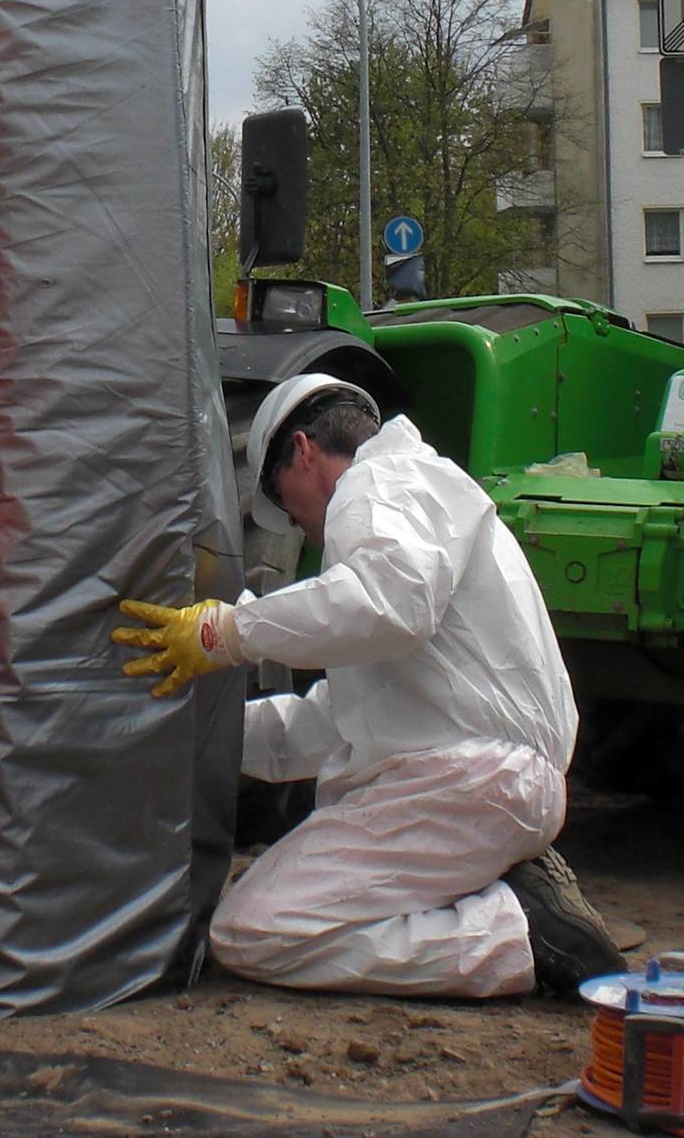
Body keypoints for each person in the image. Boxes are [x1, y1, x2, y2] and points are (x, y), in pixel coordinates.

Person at [114, 374, 625, 1000]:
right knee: (270, 916)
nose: (301, 527)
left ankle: (516, 934)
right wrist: (201, 735)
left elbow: (389, 601)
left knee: (257, 930)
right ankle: (506, 893)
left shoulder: (377, 486)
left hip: (466, 779)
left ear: (303, 451)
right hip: (489, 779)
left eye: (286, 500)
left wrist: (230, 632)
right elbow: (334, 723)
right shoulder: (423, 498)